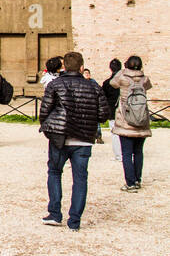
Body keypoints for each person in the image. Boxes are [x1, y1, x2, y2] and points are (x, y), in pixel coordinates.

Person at [39, 50, 109, 230]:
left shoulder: (55, 85)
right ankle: (74, 221)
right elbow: (103, 115)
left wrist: (49, 130)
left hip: (60, 137)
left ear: (64, 67)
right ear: (81, 67)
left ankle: (55, 214)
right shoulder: (93, 87)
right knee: (80, 179)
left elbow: (44, 111)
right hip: (83, 139)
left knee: (54, 172)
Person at [109, 55, 152, 191]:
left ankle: (130, 183)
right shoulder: (144, 78)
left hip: (126, 119)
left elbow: (112, 83)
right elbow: (149, 86)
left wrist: (123, 71)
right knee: (138, 152)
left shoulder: (122, 77)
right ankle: (138, 179)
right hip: (141, 119)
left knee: (126, 153)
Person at [102, 58, 123, 160]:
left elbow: (103, 98)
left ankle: (118, 155)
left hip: (112, 110)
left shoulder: (107, 83)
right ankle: (126, 153)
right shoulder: (125, 81)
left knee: (115, 133)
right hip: (125, 110)